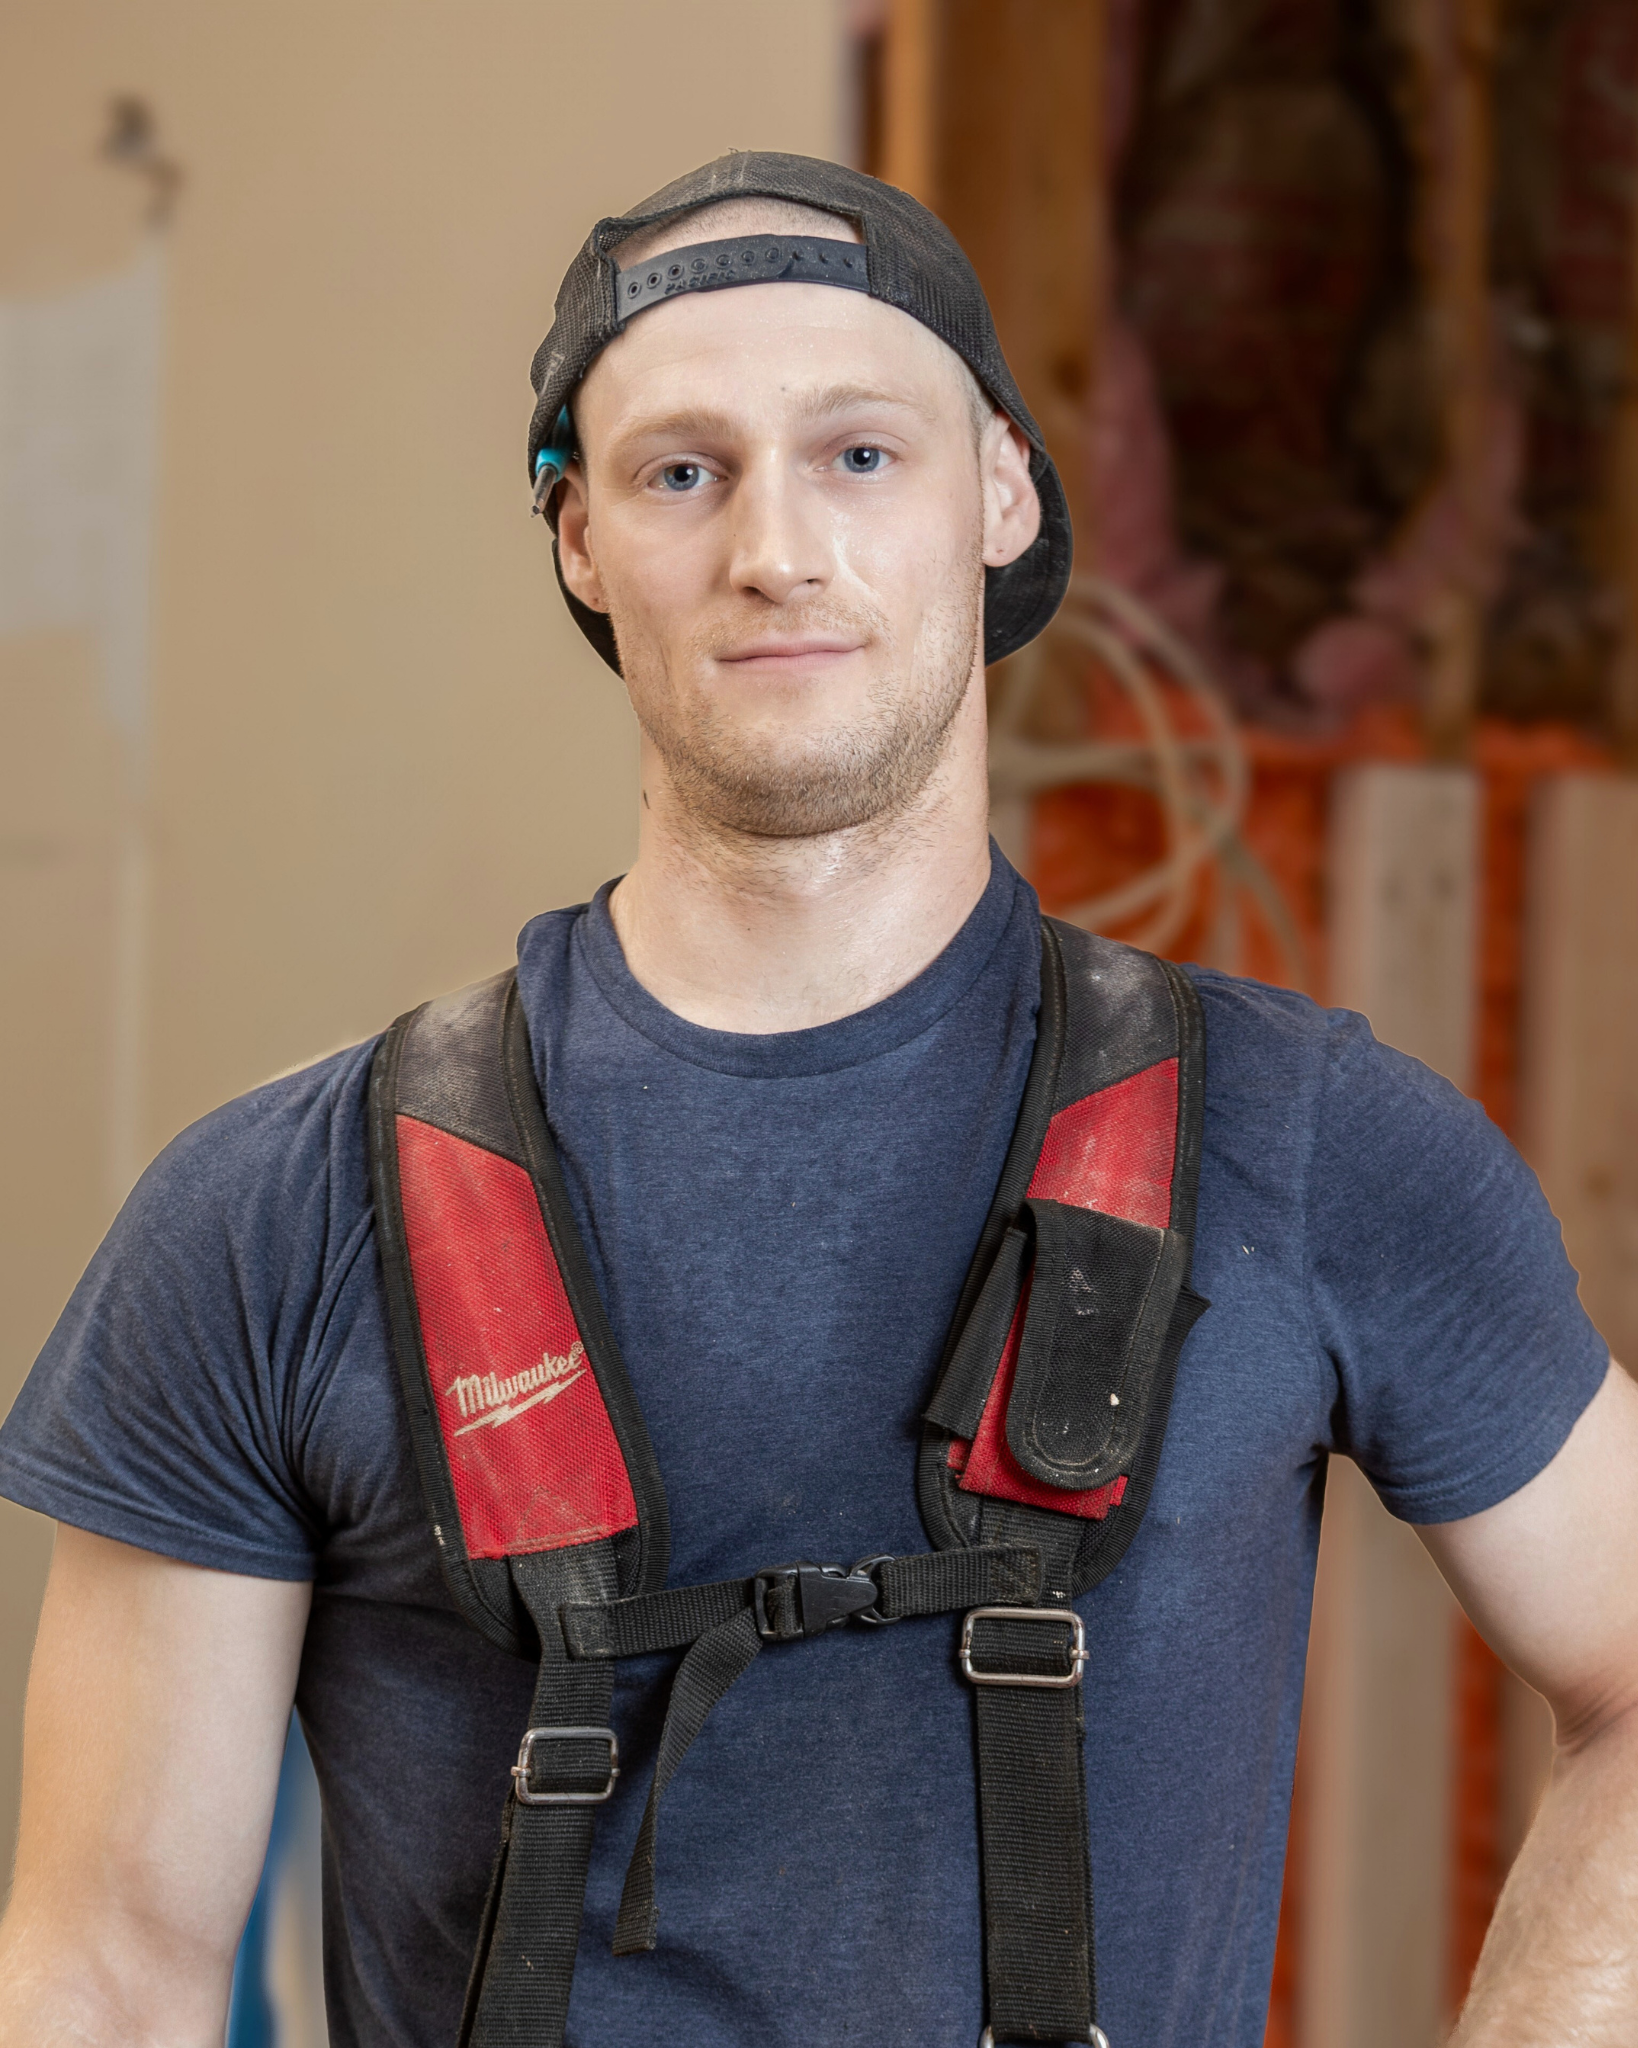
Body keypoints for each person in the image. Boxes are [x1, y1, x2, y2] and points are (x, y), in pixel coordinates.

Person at [0, 151, 1634, 2048]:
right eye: (680, 471)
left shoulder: (1308, 1142)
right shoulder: (274, 1217)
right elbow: (103, 1971)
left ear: (1001, 493)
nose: (776, 545)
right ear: (577, 542)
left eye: (861, 453)